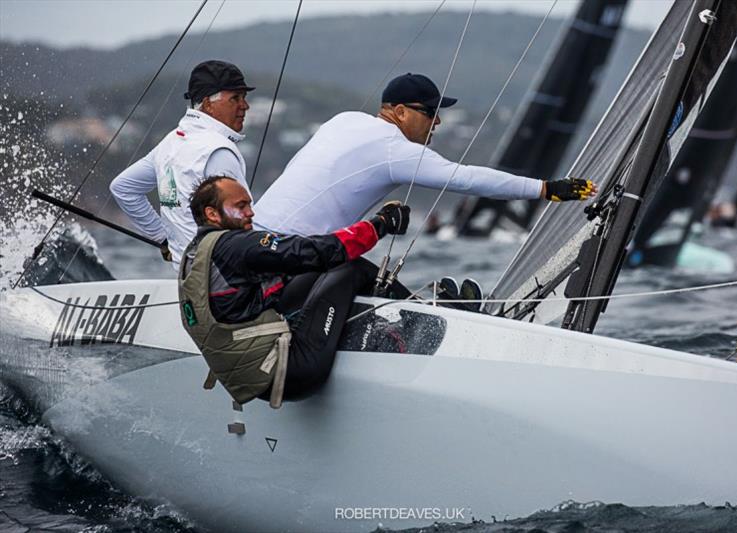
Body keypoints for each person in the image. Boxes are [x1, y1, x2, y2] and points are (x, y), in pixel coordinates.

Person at [253, 72, 596, 236]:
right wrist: (546, 189)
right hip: (286, 251)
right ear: (400, 112)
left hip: (249, 237)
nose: (438, 120)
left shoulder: (343, 120)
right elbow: (466, 179)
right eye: (430, 112)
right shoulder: (393, 149)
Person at [178, 175, 410, 407]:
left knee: (316, 270)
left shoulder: (196, 253)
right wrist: (379, 225)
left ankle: (370, 326)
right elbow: (311, 251)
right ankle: (420, 315)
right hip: (291, 372)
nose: (251, 212)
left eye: (249, 204)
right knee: (350, 268)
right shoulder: (234, 245)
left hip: (257, 374)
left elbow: (294, 270)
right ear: (212, 214)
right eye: (241, 206)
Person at [110, 60, 255, 266]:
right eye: (235, 98)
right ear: (207, 104)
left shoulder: (171, 141)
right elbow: (245, 221)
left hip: (186, 277)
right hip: (222, 280)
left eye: (244, 98)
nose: (245, 106)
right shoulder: (218, 150)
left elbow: (123, 188)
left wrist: (163, 238)